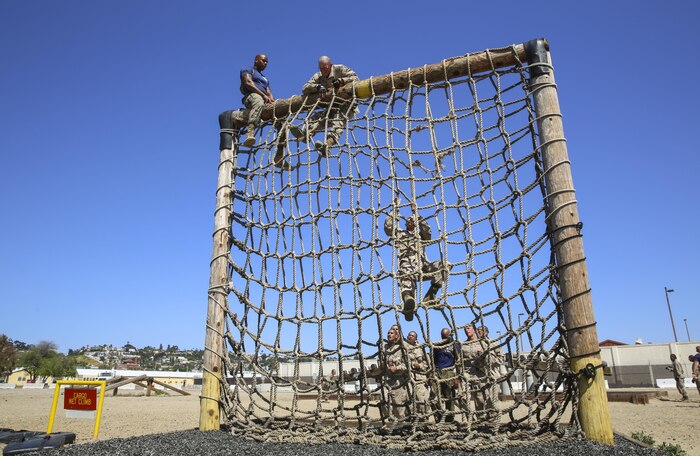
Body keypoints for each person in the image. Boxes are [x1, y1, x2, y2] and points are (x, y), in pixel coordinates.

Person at [384, 198, 450, 320]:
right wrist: (394, 209)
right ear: (405, 223)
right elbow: (388, 227)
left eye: (412, 219)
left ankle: (430, 295)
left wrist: (417, 215)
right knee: (407, 278)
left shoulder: (420, 236)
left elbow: (428, 232)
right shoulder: (400, 234)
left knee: (444, 265)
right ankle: (408, 302)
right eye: (408, 219)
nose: (410, 219)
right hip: (407, 267)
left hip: (423, 266)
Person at [289, 56, 359, 156]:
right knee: (318, 118)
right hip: (332, 104)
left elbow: (355, 78)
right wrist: (317, 87)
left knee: (338, 121)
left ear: (330, 65)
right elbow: (305, 88)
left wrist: (341, 81)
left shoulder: (340, 69)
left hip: (348, 103)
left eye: (325, 68)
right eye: (321, 68)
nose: (323, 71)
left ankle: (328, 146)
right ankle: (306, 135)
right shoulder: (319, 76)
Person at [240, 54, 275, 148]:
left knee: (278, 111)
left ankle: (280, 151)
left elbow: (269, 92)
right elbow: (248, 83)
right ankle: (250, 132)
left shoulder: (265, 78)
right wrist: (263, 95)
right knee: (258, 100)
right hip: (251, 96)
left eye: (267, 62)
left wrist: (273, 102)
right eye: (263, 61)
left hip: (264, 99)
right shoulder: (248, 70)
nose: (265, 63)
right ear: (256, 60)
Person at [379, 325, 409, 420]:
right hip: (388, 380)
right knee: (383, 400)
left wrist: (396, 368)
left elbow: (407, 366)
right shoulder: (386, 349)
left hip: (399, 381)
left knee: (398, 406)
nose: (389, 335)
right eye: (388, 333)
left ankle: (402, 422)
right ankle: (390, 419)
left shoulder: (401, 348)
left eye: (391, 333)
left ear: (396, 336)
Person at [432, 328, 461, 423]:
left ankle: (449, 419)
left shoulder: (455, 346)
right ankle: (438, 416)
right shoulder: (436, 346)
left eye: (446, 336)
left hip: (449, 372)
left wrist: (457, 377)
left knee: (449, 397)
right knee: (433, 397)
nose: (444, 338)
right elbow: (431, 362)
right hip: (437, 372)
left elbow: (458, 362)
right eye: (442, 336)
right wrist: (430, 375)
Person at [406, 331, 431, 418]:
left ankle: (424, 417)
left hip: (420, 378)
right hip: (408, 378)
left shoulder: (421, 349)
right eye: (409, 335)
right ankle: (412, 418)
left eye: (413, 336)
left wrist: (419, 365)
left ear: (416, 338)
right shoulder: (403, 348)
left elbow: (427, 364)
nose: (410, 337)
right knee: (409, 400)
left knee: (422, 399)